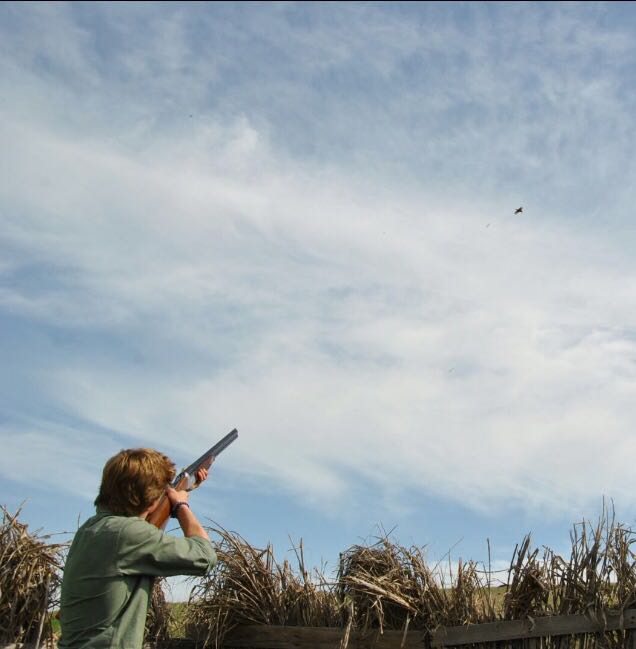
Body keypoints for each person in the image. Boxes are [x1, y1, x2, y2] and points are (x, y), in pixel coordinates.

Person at [59, 448, 217, 648]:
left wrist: (185, 490)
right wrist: (180, 506)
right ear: (150, 498)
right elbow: (205, 555)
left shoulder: (91, 528)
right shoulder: (127, 533)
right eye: (162, 490)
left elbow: (147, 524)